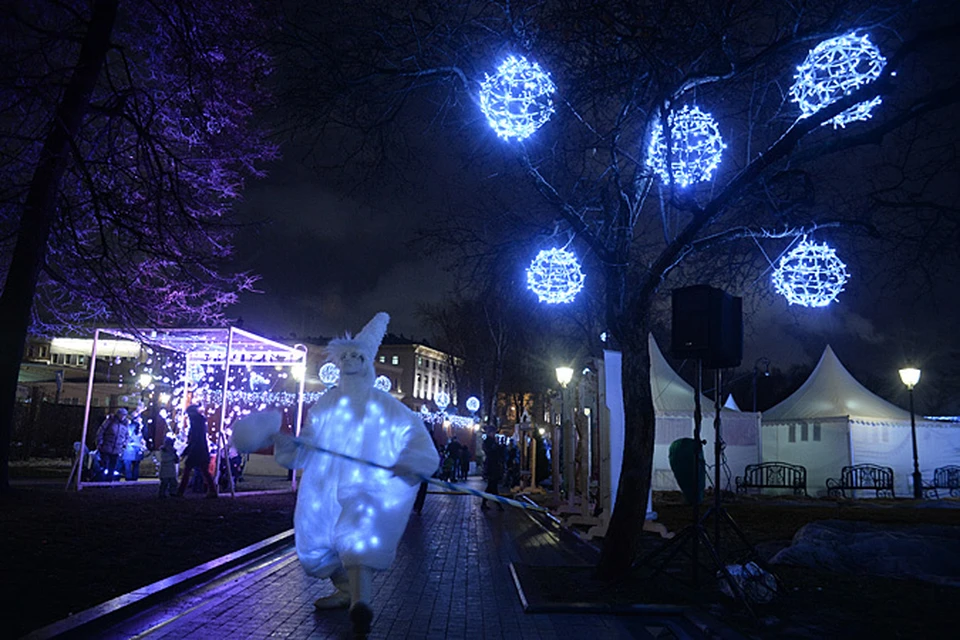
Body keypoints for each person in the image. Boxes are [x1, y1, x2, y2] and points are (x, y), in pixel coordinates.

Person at [272, 312, 439, 639]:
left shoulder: (384, 403)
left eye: (357, 356)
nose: (350, 360)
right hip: (325, 487)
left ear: (367, 362)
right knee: (317, 544)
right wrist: (294, 446)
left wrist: (411, 461)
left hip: (366, 489)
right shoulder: (327, 403)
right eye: (345, 355)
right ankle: (346, 590)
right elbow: (310, 438)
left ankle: (361, 604)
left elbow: (415, 434)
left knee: (357, 537)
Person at [175, 405, 217, 498]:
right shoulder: (200, 422)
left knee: (188, 469)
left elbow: (194, 438)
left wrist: (187, 450)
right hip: (201, 449)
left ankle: (180, 491)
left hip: (196, 450)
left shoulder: (196, 423)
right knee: (204, 471)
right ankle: (213, 491)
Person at [95, 408, 129, 481]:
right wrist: (100, 442)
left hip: (117, 449)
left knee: (113, 467)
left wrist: (124, 444)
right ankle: (102, 480)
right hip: (107, 447)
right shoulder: (110, 421)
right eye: (121, 415)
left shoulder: (125, 424)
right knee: (105, 465)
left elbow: (127, 435)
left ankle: (109, 481)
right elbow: (101, 431)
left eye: (124, 415)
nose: (123, 417)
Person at [480, 430, 505, 511]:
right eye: (492, 432)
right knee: (492, 486)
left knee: (491, 486)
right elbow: (490, 452)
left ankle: (487, 503)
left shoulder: (492, 442)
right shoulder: (488, 442)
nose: (494, 434)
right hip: (492, 467)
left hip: (493, 466)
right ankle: (497, 504)